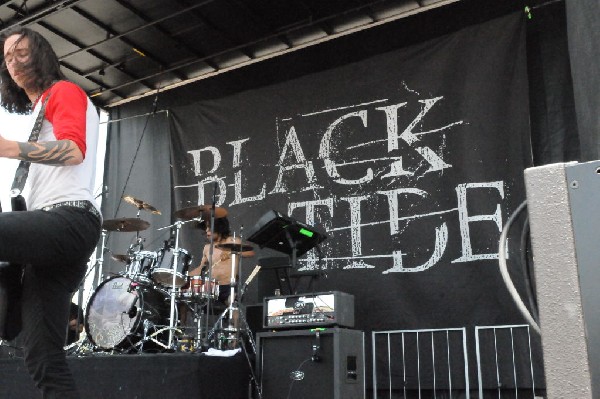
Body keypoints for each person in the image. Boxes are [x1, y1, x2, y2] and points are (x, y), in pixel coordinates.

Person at [0, 27, 101, 398]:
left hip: (69, 220)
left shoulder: (65, 91)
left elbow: (74, 150)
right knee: (41, 356)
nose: (13, 62)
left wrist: (9, 148)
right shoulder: (36, 115)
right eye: (7, 57)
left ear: (40, 54)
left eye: (21, 52)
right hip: (50, 241)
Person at [188, 217, 254, 307]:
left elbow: (250, 252)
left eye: (209, 227)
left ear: (219, 227)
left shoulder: (232, 241)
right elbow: (201, 268)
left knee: (233, 304)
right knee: (186, 297)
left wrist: (232, 251)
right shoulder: (207, 247)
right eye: (205, 228)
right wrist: (184, 277)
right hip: (211, 287)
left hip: (229, 286)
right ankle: (181, 321)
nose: (207, 230)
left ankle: (234, 320)